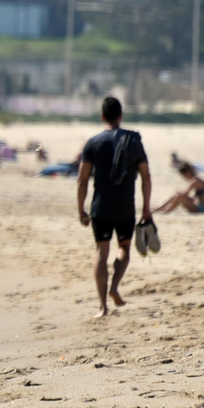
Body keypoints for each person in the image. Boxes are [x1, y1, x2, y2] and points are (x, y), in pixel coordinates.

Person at [76, 96, 152, 318]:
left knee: (101, 252)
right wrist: (147, 207)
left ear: (102, 117)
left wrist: (80, 209)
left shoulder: (93, 143)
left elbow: (82, 179)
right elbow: (146, 175)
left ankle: (102, 307)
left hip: (100, 206)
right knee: (124, 249)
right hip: (125, 206)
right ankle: (115, 286)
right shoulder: (133, 141)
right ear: (120, 116)